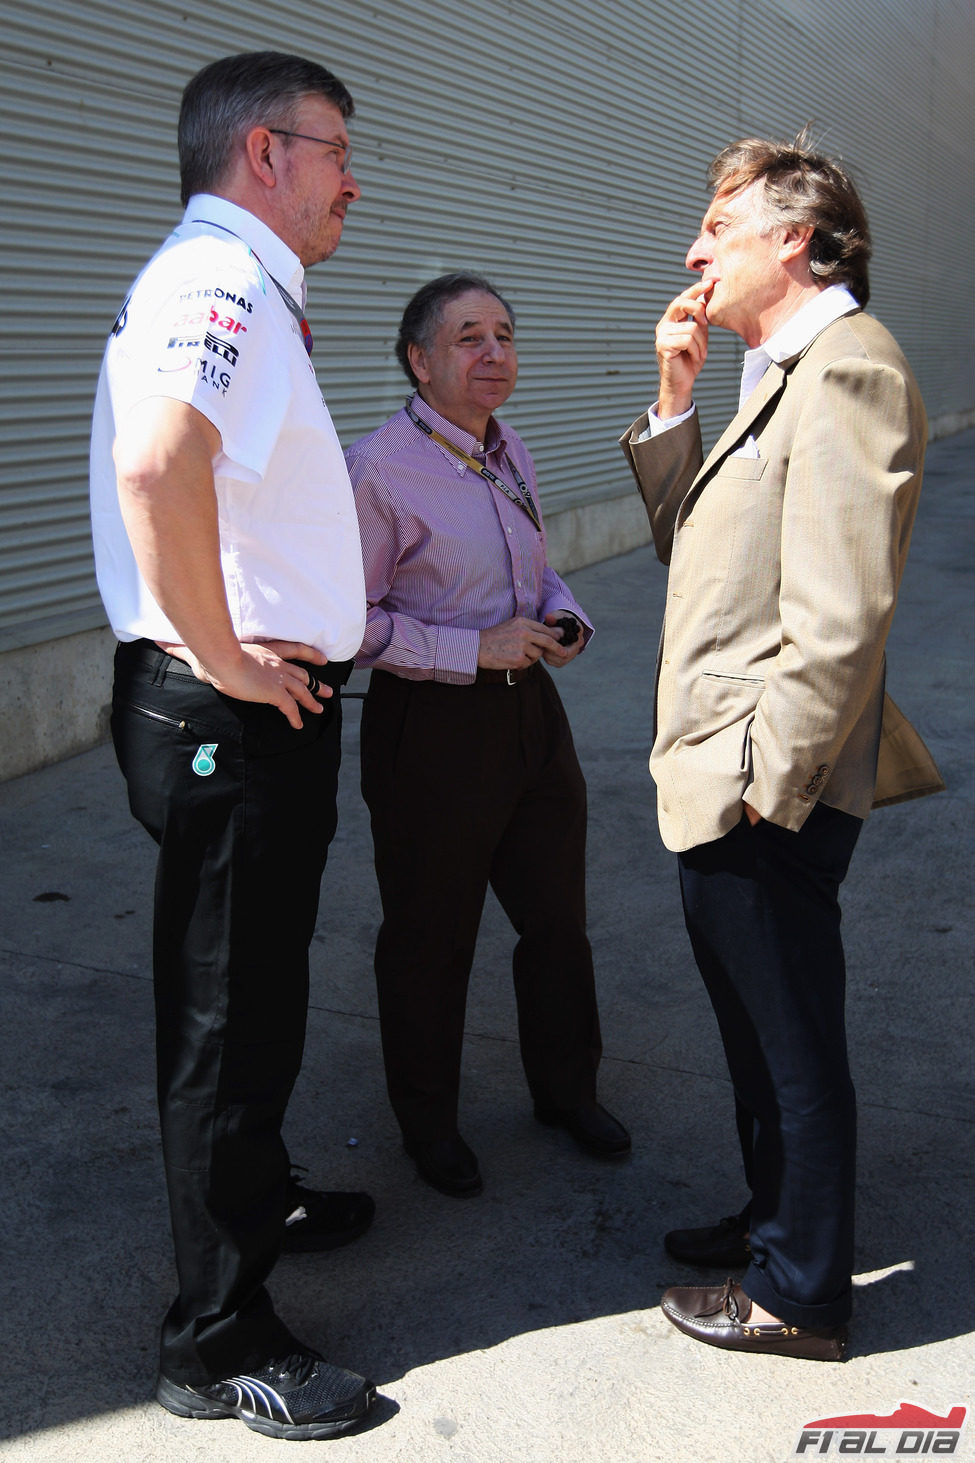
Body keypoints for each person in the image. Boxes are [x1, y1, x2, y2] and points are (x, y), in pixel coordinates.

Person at [89, 51, 375, 1439]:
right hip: (230, 717)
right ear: (264, 152)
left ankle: (255, 1198)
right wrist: (223, 655)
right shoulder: (221, 279)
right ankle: (215, 1337)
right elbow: (158, 463)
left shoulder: (241, 281)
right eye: (333, 148)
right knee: (225, 1016)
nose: (349, 176)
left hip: (247, 712)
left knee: (253, 996)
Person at [619, 134, 931, 1360]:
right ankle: (775, 1217)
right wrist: (676, 402)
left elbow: (844, 616)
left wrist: (770, 788)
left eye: (719, 227)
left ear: (793, 241)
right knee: (754, 1023)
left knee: (794, 1037)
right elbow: (696, 552)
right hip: (718, 765)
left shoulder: (848, 368)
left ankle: (800, 1291)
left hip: (763, 778)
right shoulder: (774, 366)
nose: (695, 249)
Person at [347, 272, 631, 1198]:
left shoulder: (508, 448)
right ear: (418, 360)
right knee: (431, 937)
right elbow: (347, 623)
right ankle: (427, 1125)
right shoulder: (379, 469)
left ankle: (565, 1092)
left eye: (505, 334)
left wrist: (565, 614)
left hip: (528, 719)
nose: (493, 353)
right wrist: (471, 649)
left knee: (556, 921)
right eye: (468, 337)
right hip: (431, 729)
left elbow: (539, 571)